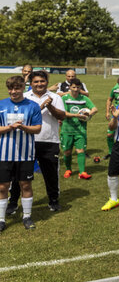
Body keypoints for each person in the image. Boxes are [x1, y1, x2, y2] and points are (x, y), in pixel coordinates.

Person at [17, 71, 66, 212]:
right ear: (30, 83)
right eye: (36, 82)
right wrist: (41, 107)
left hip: (49, 141)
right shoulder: (24, 97)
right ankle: (13, 202)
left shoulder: (55, 97)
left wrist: (50, 106)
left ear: (46, 82)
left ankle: (53, 200)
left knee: (50, 174)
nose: (39, 84)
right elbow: (22, 118)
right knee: (19, 174)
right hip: (26, 140)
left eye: (42, 81)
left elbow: (61, 116)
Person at [0, 75, 42, 232]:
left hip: (26, 154)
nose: (13, 91)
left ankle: (27, 216)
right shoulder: (1, 105)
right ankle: (1, 219)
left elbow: (37, 128)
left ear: (23, 88)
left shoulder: (33, 106)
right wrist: (10, 128)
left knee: (25, 184)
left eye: (17, 88)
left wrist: (23, 128)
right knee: (3, 187)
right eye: (10, 88)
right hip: (3, 154)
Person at [61, 78, 98, 179]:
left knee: (80, 150)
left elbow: (95, 109)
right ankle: (68, 169)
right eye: (73, 87)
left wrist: (88, 114)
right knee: (67, 152)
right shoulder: (65, 98)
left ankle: (82, 172)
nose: (76, 89)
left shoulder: (84, 99)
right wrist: (76, 115)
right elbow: (63, 113)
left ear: (80, 87)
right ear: (69, 87)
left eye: (78, 87)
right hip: (67, 130)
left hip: (80, 130)